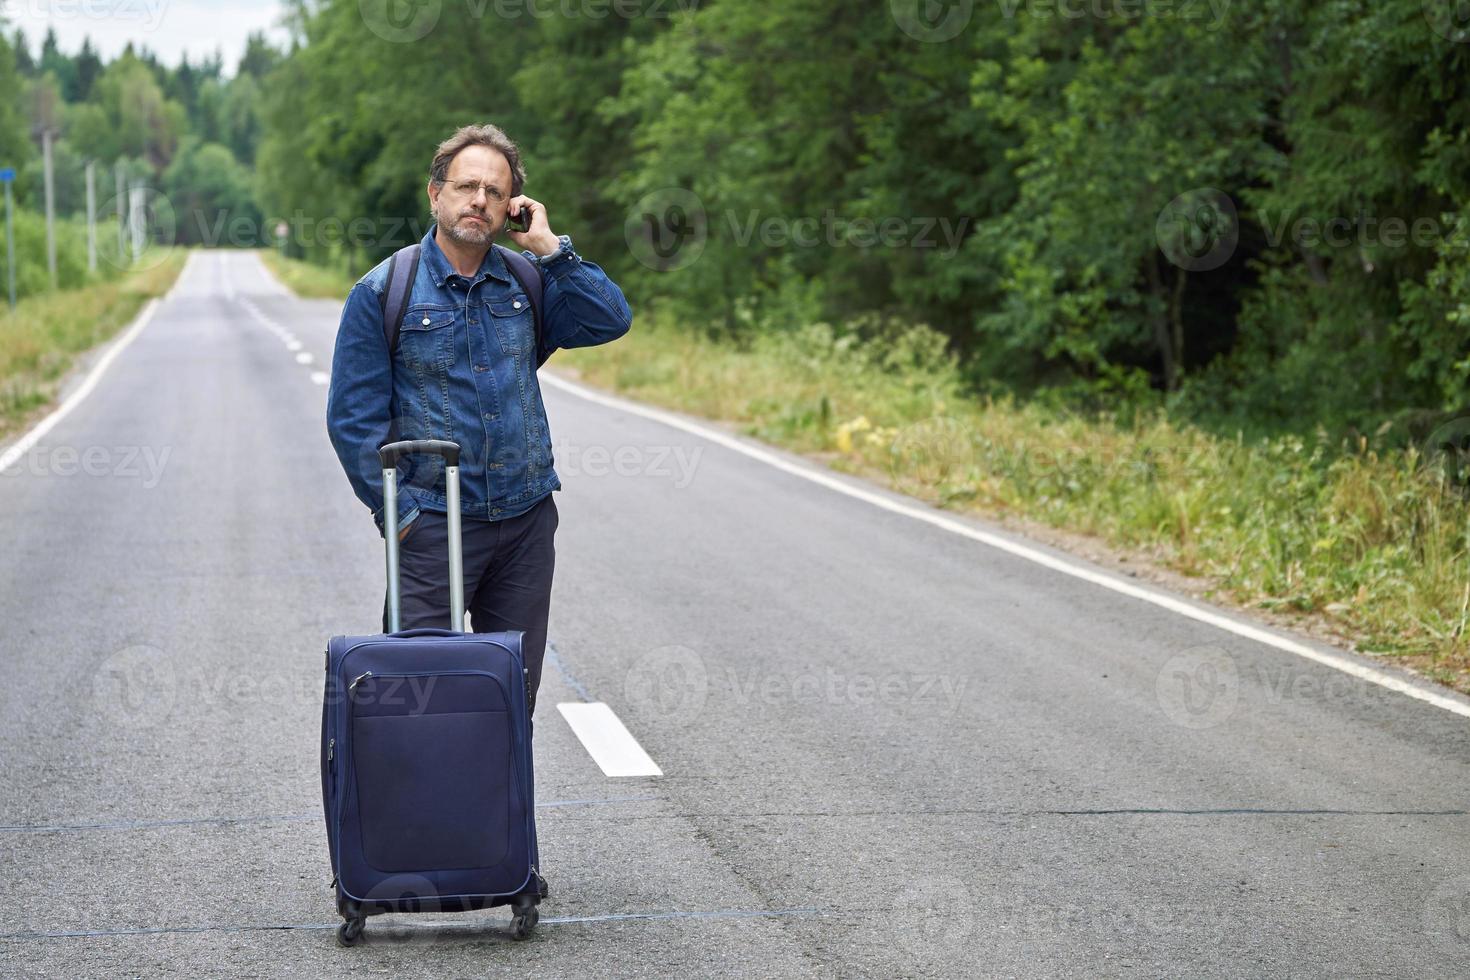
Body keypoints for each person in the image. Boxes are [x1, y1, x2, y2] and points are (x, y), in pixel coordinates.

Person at [326, 123, 632, 717]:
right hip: (434, 525)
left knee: (511, 699)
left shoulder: (526, 282)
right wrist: (405, 517)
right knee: (420, 703)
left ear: (511, 206)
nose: (480, 201)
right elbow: (353, 422)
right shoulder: (384, 291)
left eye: (496, 192)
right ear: (434, 194)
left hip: (524, 524)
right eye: (467, 186)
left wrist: (549, 248)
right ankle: (420, 813)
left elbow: (609, 319)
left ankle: (501, 814)